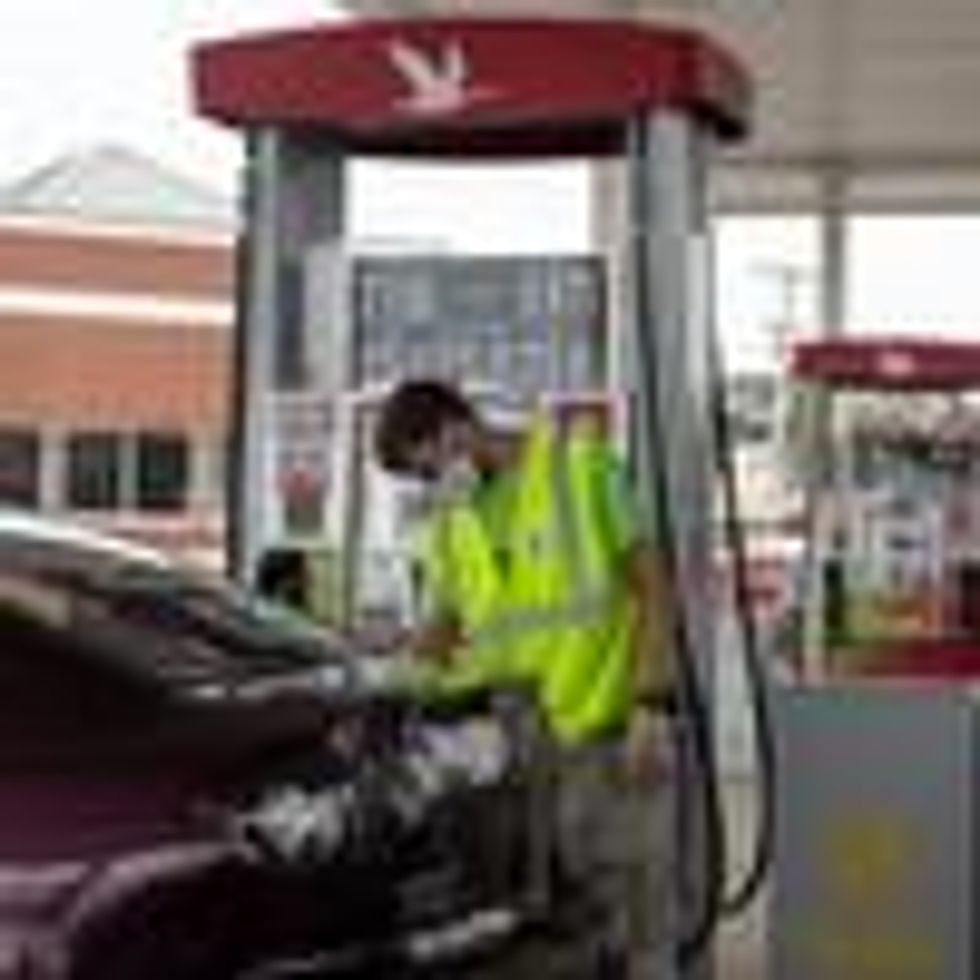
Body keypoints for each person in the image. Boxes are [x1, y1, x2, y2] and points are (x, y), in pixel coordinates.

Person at [373, 379, 677, 977]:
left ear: (455, 428)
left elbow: (655, 589)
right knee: (550, 917)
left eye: (427, 466)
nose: (431, 484)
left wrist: (654, 704)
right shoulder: (455, 519)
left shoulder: (582, 470)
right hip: (519, 744)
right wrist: (387, 679)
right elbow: (446, 624)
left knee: (625, 906)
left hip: (604, 728)